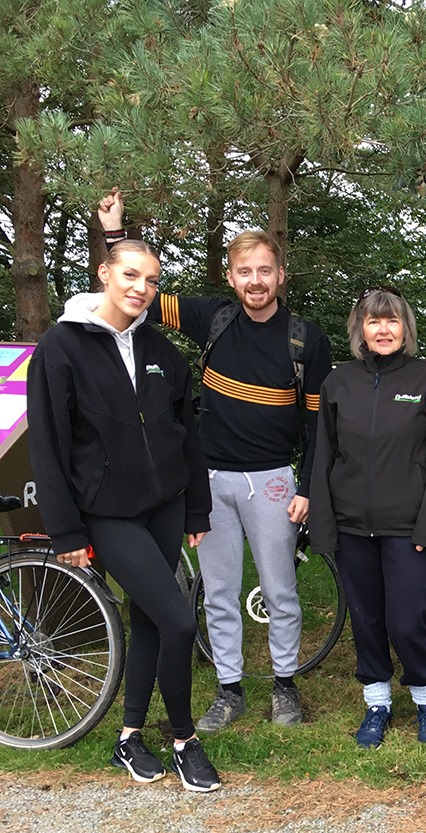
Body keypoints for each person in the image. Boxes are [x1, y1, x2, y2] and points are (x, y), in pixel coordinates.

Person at [98, 190, 333, 731]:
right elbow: (139, 295)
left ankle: (284, 687)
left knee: (280, 590)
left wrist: (309, 487)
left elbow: (320, 420)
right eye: (244, 271)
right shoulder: (214, 318)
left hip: (275, 480)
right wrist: (115, 233)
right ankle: (229, 690)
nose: (255, 280)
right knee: (219, 591)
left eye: (265, 271)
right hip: (207, 482)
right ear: (231, 277)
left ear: (281, 276)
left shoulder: (306, 339)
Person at [28, 239, 221, 792]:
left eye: (153, 281)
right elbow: (48, 443)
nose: (141, 289)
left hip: (164, 506)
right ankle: (185, 740)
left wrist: (196, 508)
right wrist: (66, 528)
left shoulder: (163, 350)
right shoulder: (61, 347)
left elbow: (188, 438)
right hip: (106, 512)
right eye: (131, 276)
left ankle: (129, 737)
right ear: (105, 273)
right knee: (180, 620)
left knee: (150, 621)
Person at [308, 288, 426, 747]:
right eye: (374, 322)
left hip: (408, 526)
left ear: (405, 328)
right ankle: (377, 702)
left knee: (407, 619)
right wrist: (325, 525)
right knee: (367, 618)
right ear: (361, 330)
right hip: (353, 526)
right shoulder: (339, 383)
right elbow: (323, 454)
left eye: (392, 321)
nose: (384, 329)